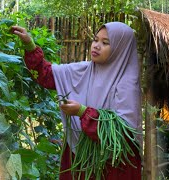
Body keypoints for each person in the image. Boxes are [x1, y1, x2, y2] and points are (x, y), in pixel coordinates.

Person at [11, 22, 142, 179]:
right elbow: (46, 75)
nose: (97, 46)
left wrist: (82, 112)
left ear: (121, 49)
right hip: (80, 156)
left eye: (105, 43)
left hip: (113, 166)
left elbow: (123, 132)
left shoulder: (127, 84)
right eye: (95, 40)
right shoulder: (84, 70)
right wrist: (29, 44)